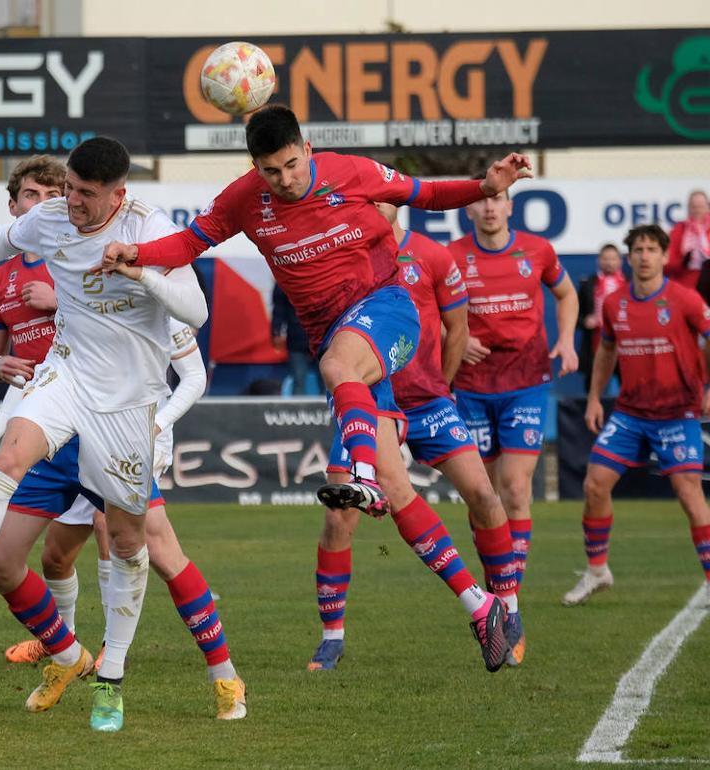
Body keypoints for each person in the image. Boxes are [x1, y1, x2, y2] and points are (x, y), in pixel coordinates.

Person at [99, 105, 529, 672]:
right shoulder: (246, 197)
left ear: (307, 148)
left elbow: (426, 194)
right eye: (271, 171)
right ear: (256, 166)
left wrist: (485, 184)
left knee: (338, 371)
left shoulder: (350, 172)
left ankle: (361, 476)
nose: (285, 180)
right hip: (338, 339)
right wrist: (139, 255)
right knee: (400, 493)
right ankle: (481, 608)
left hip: (389, 309)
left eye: (292, 165)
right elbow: (187, 244)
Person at [0, 138, 209, 732]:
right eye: (69, 188)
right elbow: (7, 239)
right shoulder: (52, 213)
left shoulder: (154, 229)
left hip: (128, 403)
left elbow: (194, 312)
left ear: (118, 195)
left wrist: (139, 269)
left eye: (86, 195)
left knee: (126, 543)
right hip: (65, 373)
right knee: (9, 456)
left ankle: (111, 676)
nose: (72, 202)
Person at [314, 202, 521, 671]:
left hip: (428, 401)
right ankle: (332, 637)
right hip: (370, 400)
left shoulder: (432, 255)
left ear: (396, 203)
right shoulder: (347, 256)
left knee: (484, 495)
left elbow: (458, 328)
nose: (372, 206)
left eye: (379, 198)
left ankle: (508, 610)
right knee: (337, 520)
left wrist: (441, 386)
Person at [565, 224, 710, 605]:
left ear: (665, 256)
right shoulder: (616, 304)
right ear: (629, 259)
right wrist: (595, 397)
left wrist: (707, 386)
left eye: (651, 249)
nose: (644, 256)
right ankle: (597, 571)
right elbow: (606, 352)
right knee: (595, 484)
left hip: (678, 412)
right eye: (638, 250)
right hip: (630, 413)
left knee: (689, 493)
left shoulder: (686, 299)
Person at [448, 184, 579, 599]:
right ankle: (496, 578)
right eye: (482, 200)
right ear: (468, 209)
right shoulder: (451, 256)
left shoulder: (538, 250)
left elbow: (568, 294)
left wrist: (569, 340)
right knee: (482, 494)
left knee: (517, 488)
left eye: (497, 199)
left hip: (525, 382)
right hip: (471, 386)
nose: (489, 207)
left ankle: (509, 599)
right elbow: (426, 309)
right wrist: (455, 339)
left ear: (509, 206)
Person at [577, 244, 626, 381]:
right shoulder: (588, 284)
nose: (609, 263)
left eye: (613, 259)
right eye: (605, 259)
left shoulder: (629, 283)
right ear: (598, 260)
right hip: (596, 340)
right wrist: (585, 321)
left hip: (624, 341)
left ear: (620, 261)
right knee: (593, 380)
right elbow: (575, 313)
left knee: (626, 380)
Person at [270, 286, 317, 395]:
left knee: (327, 380)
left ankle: (327, 411)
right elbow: (279, 309)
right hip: (297, 338)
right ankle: (298, 411)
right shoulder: (285, 280)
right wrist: (276, 332)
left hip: (321, 337)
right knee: (298, 379)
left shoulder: (326, 277)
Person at [665, 189, 708, 291]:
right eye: (694, 207)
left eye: (700, 207)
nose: (697, 210)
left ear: (707, 207)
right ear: (688, 208)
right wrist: (682, 262)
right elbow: (667, 264)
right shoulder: (678, 230)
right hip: (686, 285)